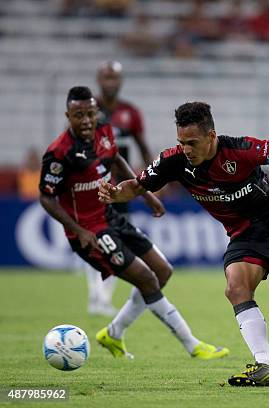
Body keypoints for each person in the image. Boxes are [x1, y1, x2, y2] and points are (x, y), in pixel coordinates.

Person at [98, 101, 269, 387]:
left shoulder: (242, 149)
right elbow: (138, 186)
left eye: (192, 142)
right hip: (242, 233)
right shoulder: (174, 161)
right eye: (181, 142)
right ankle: (266, 365)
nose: (186, 149)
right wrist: (117, 193)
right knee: (236, 287)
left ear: (211, 136)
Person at [39, 86, 229, 362]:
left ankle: (113, 334)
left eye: (90, 113)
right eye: (78, 115)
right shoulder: (59, 153)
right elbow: (46, 197)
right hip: (89, 231)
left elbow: (115, 158)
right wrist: (78, 230)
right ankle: (193, 345)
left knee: (162, 271)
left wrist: (147, 194)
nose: (86, 120)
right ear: (68, 115)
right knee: (147, 279)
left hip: (110, 215)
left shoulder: (104, 131)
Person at [85, 60, 152, 316]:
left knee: (118, 240)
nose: (109, 82)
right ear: (98, 80)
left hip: (120, 188)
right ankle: (95, 296)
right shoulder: (88, 110)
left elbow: (143, 147)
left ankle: (102, 298)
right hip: (91, 185)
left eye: (114, 78)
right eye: (105, 78)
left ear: (120, 81)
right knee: (94, 240)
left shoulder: (130, 113)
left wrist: (153, 179)